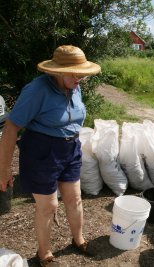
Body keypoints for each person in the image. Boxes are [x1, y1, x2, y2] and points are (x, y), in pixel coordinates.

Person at [0, 45, 100, 266]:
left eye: (82, 73)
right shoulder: (37, 90)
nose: (80, 79)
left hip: (70, 149)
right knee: (49, 206)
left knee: (74, 199)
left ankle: (78, 239)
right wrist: (4, 168)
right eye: (75, 73)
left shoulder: (74, 85)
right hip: (42, 151)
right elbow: (11, 127)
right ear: (57, 71)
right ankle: (44, 253)